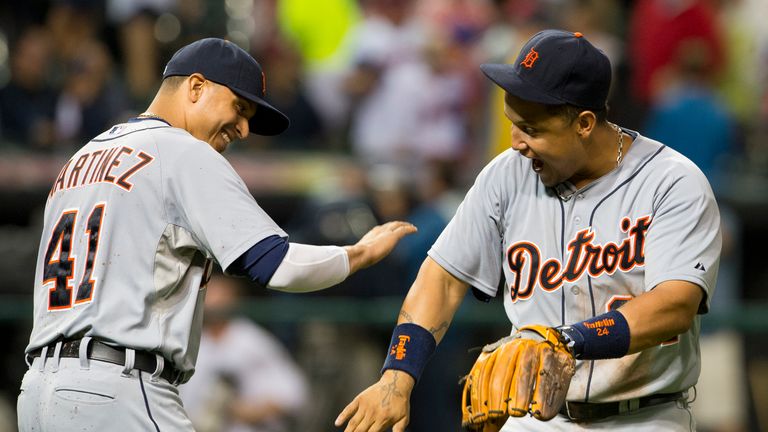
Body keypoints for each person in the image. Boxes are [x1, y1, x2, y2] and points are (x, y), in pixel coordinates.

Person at [16, 37, 416, 432]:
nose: (243, 129)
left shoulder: (79, 159)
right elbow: (275, 265)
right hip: (119, 391)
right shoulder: (182, 151)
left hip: (37, 392)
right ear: (196, 86)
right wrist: (359, 253)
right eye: (239, 108)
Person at [335, 29, 722, 432]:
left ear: (585, 123)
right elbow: (442, 279)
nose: (517, 143)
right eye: (512, 124)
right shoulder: (506, 175)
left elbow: (675, 305)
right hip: (537, 420)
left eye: (532, 130)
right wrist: (397, 377)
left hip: (645, 417)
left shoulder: (672, 183)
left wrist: (566, 340)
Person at [179, 275, 309, 432]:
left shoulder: (251, 340)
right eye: (208, 295)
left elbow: (295, 394)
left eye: (219, 295)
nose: (213, 302)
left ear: (233, 299)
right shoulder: (190, 342)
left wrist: (253, 410)